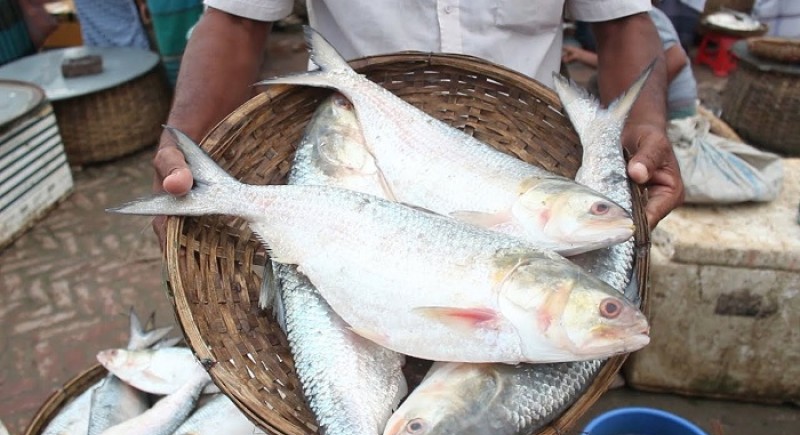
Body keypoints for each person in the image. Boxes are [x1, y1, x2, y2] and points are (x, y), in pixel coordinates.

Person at [152, 1, 685, 242]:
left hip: (530, 165)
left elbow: (622, 23)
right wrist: (185, 142)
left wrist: (645, 121)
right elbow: (236, 20)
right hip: (353, 163)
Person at [563, 7, 699, 120]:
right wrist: (580, 55)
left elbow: (677, 59)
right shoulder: (615, 22)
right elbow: (617, 64)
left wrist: (638, 98)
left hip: (675, 107)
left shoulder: (644, 17)